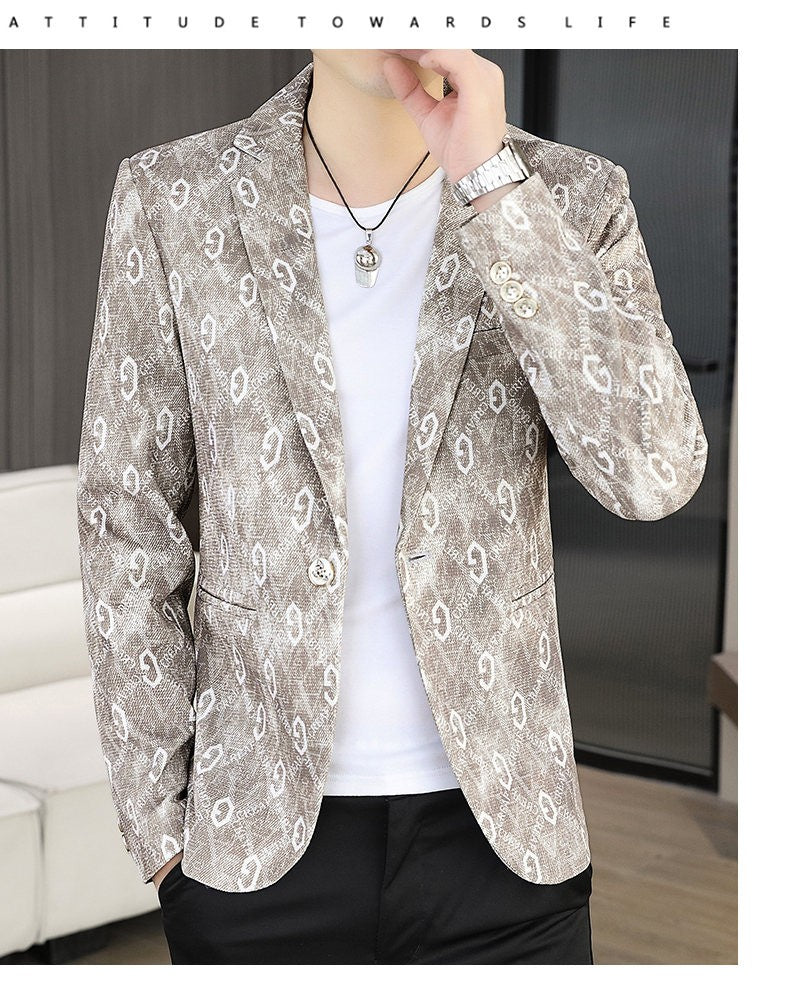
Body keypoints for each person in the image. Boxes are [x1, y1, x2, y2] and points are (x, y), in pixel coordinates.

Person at [76, 49, 708, 965]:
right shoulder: (173, 196)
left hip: (506, 842)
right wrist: (160, 827)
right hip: (252, 843)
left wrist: (492, 185)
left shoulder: (570, 196)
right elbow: (126, 523)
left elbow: (652, 474)